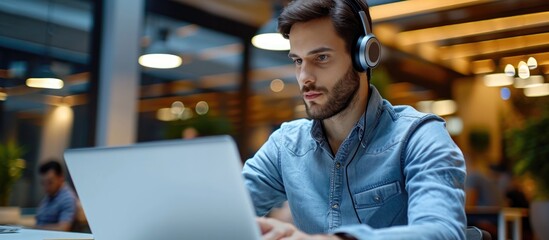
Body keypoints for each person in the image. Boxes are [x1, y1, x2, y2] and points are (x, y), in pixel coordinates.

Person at [242, 0, 467, 239]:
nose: (304, 77)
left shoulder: (418, 136)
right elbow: (223, 211)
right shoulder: (284, 146)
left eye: (321, 58)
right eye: (298, 60)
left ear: (364, 56)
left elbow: (443, 232)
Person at [35, 160, 77, 231]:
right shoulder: (49, 196)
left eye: (50, 182)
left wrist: (33, 228)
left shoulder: (67, 198)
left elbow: (63, 228)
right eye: (43, 183)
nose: (46, 188)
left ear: (61, 178)